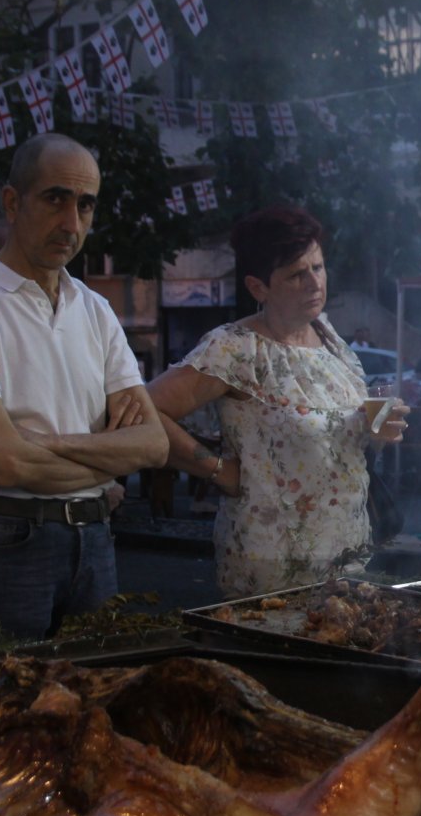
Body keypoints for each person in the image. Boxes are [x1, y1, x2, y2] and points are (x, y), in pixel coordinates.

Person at [0, 133, 168, 639]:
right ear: (13, 202)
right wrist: (106, 455)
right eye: (56, 198)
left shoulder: (94, 309)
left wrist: (50, 444)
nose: (71, 223)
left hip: (96, 535)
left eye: (85, 205)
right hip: (6, 537)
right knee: (3, 706)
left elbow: (153, 443)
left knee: (94, 698)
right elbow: (5, 462)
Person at [148, 204, 406, 597]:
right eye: (296, 275)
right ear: (258, 287)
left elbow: (337, 439)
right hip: (271, 569)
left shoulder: (329, 338)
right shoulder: (236, 348)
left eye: (318, 268)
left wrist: (377, 429)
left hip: (348, 560)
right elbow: (144, 410)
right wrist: (217, 469)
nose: (314, 283)